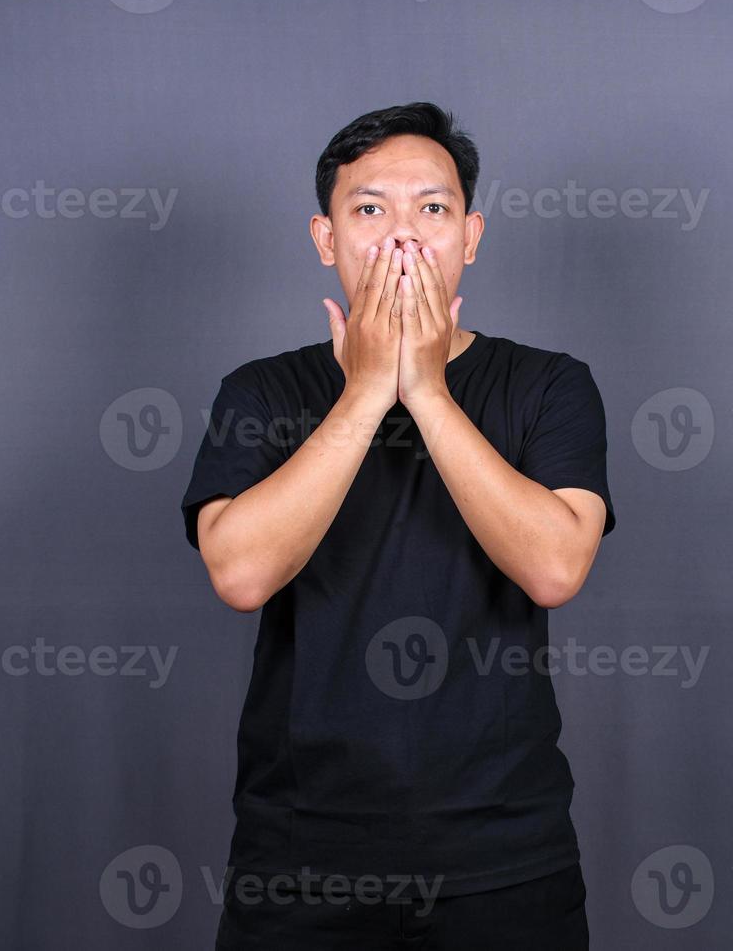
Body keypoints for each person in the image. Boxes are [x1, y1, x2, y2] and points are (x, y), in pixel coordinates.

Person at [181, 101, 617, 950]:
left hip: (503, 861)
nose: (405, 237)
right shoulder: (261, 393)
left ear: (472, 235)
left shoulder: (551, 386)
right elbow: (238, 574)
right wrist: (365, 393)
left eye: (434, 209)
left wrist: (423, 389)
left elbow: (557, 568)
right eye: (370, 210)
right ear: (326, 238)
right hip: (301, 859)